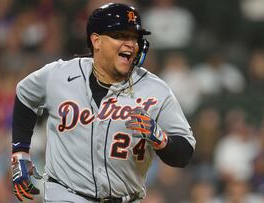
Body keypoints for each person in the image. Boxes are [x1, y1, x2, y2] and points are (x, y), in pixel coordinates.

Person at [11, 3, 195, 203]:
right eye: (120, 36)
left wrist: (162, 139)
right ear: (96, 41)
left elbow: (184, 154)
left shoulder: (156, 91)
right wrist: (20, 151)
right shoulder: (59, 75)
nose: (130, 44)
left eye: (134, 37)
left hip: (127, 198)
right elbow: (25, 95)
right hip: (65, 195)